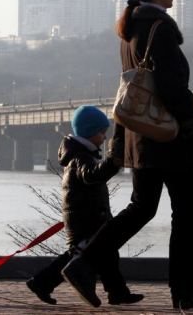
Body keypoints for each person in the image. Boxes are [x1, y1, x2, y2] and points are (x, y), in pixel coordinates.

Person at [62, 0, 193, 310]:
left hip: (140, 137)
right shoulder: (159, 30)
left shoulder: (129, 30)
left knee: (141, 208)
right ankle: (185, 291)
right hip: (168, 138)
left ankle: (83, 263)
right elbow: (170, 87)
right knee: (186, 211)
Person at [26, 105, 143, 307]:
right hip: (85, 221)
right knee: (78, 257)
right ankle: (41, 282)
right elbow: (92, 175)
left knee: (107, 255)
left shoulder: (80, 155)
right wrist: (112, 162)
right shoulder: (80, 158)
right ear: (90, 132)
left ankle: (117, 292)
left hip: (91, 219)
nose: (104, 137)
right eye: (101, 133)